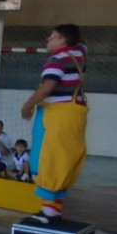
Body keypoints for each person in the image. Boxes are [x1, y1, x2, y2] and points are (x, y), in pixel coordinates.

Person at [21, 24, 88, 223]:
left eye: (53, 36)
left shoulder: (57, 60)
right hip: (75, 116)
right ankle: (54, 211)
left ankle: (48, 214)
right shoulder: (79, 54)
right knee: (62, 162)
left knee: (47, 161)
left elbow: (47, 86)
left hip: (56, 117)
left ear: (64, 40)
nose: (48, 39)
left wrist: (27, 106)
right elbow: (83, 43)